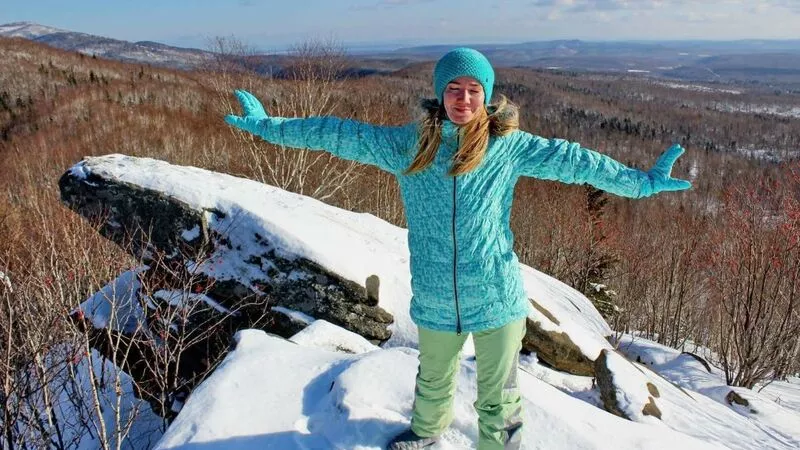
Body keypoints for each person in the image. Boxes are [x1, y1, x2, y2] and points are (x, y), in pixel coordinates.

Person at [225, 47, 691, 450]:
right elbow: (336, 134)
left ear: (486, 95)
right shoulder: (409, 146)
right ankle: (427, 433)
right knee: (432, 380)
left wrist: (641, 183)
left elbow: (577, 162)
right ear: (440, 93)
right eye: (454, 88)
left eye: (473, 89)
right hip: (435, 296)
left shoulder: (507, 147)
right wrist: (270, 127)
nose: (463, 98)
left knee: (499, 395)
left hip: (495, 296)